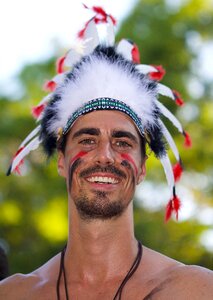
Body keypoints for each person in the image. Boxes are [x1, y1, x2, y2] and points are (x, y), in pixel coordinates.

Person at [1, 6, 212, 300]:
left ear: (141, 168)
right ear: (62, 160)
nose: (105, 156)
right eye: (87, 140)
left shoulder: (195, 291)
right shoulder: (14, 294)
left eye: (123, 142)